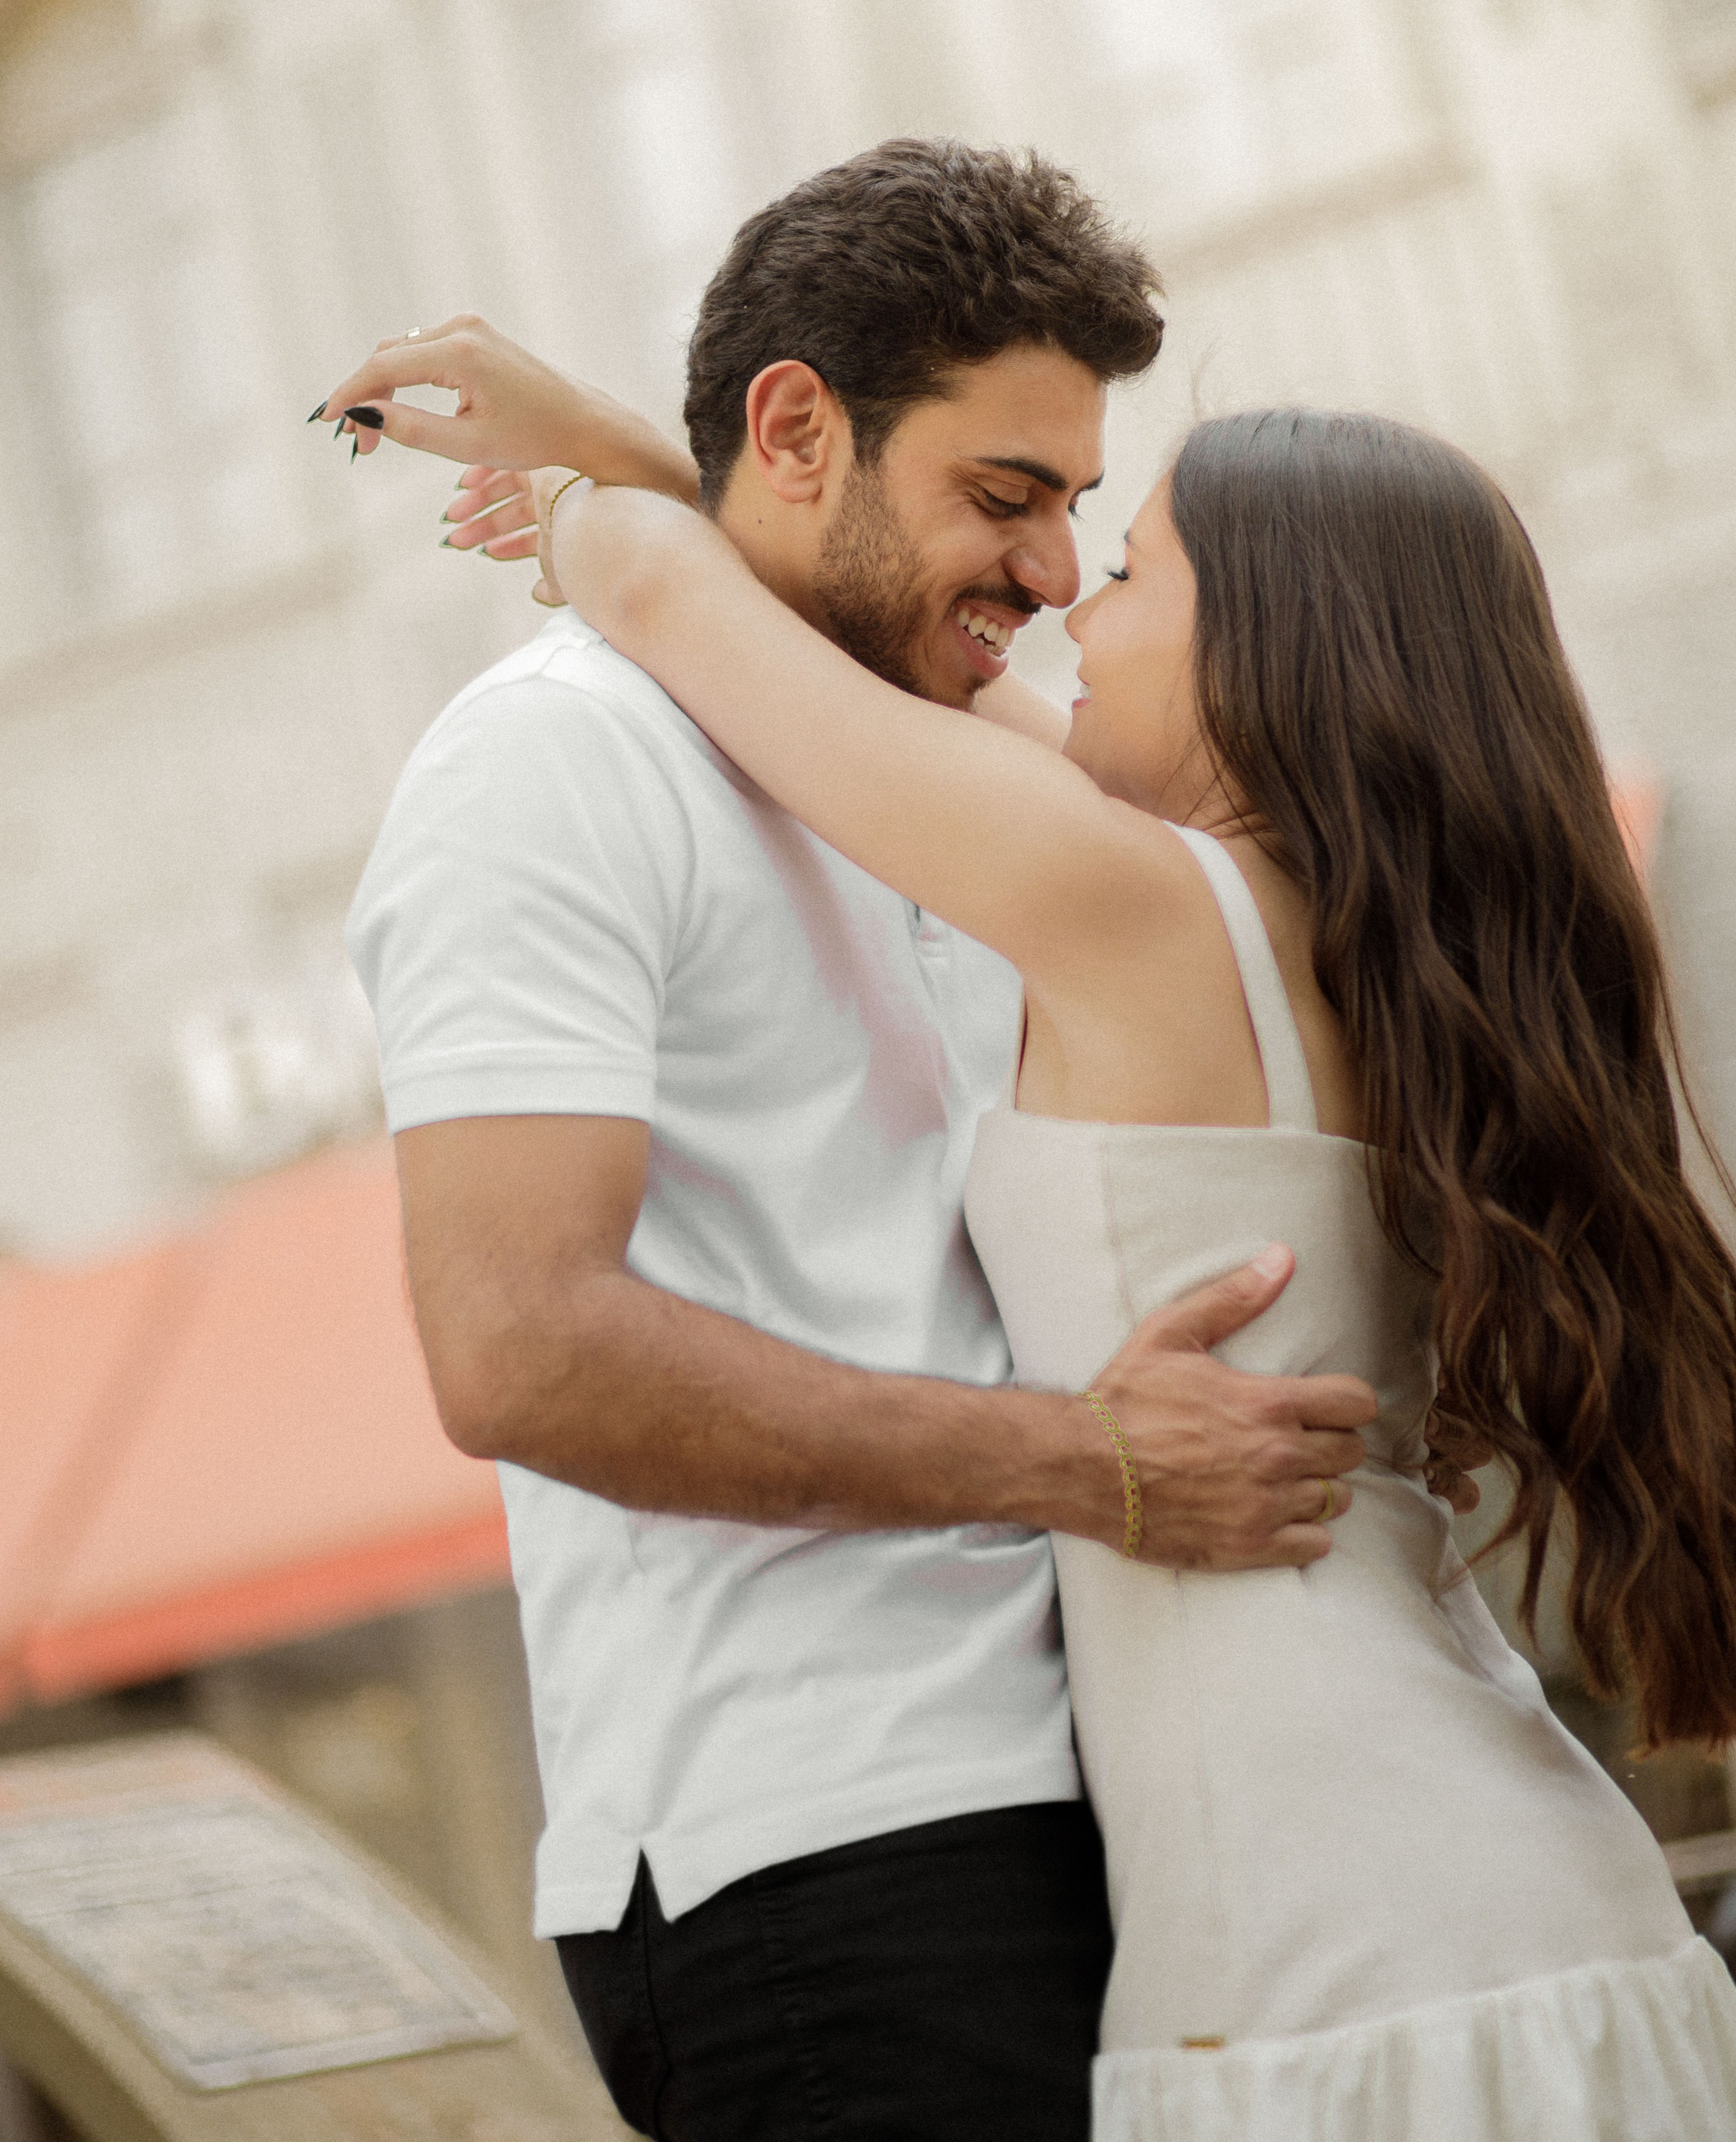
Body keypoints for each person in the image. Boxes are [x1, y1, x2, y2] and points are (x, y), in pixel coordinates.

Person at [324, 142, 1392, 2142]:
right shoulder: (548, 763)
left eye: (1078, 508)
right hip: (825, 1863)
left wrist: (642, 485)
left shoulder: (945, 759)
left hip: (1120, 1798)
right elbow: (517, 1346)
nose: (1060, 572)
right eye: (1007, 497)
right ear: (799, 429)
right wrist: (1091, 1463)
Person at [527, 404, 1736, 2139]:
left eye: (1131, 571)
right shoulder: (1348, 933)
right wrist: (590, 418)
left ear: (1265, 642)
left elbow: (677, 600)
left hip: (1332, 1942)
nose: (1069, 611)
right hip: (1485, 1894)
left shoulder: (1140, 908)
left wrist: (568, 505)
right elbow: (907, 645)